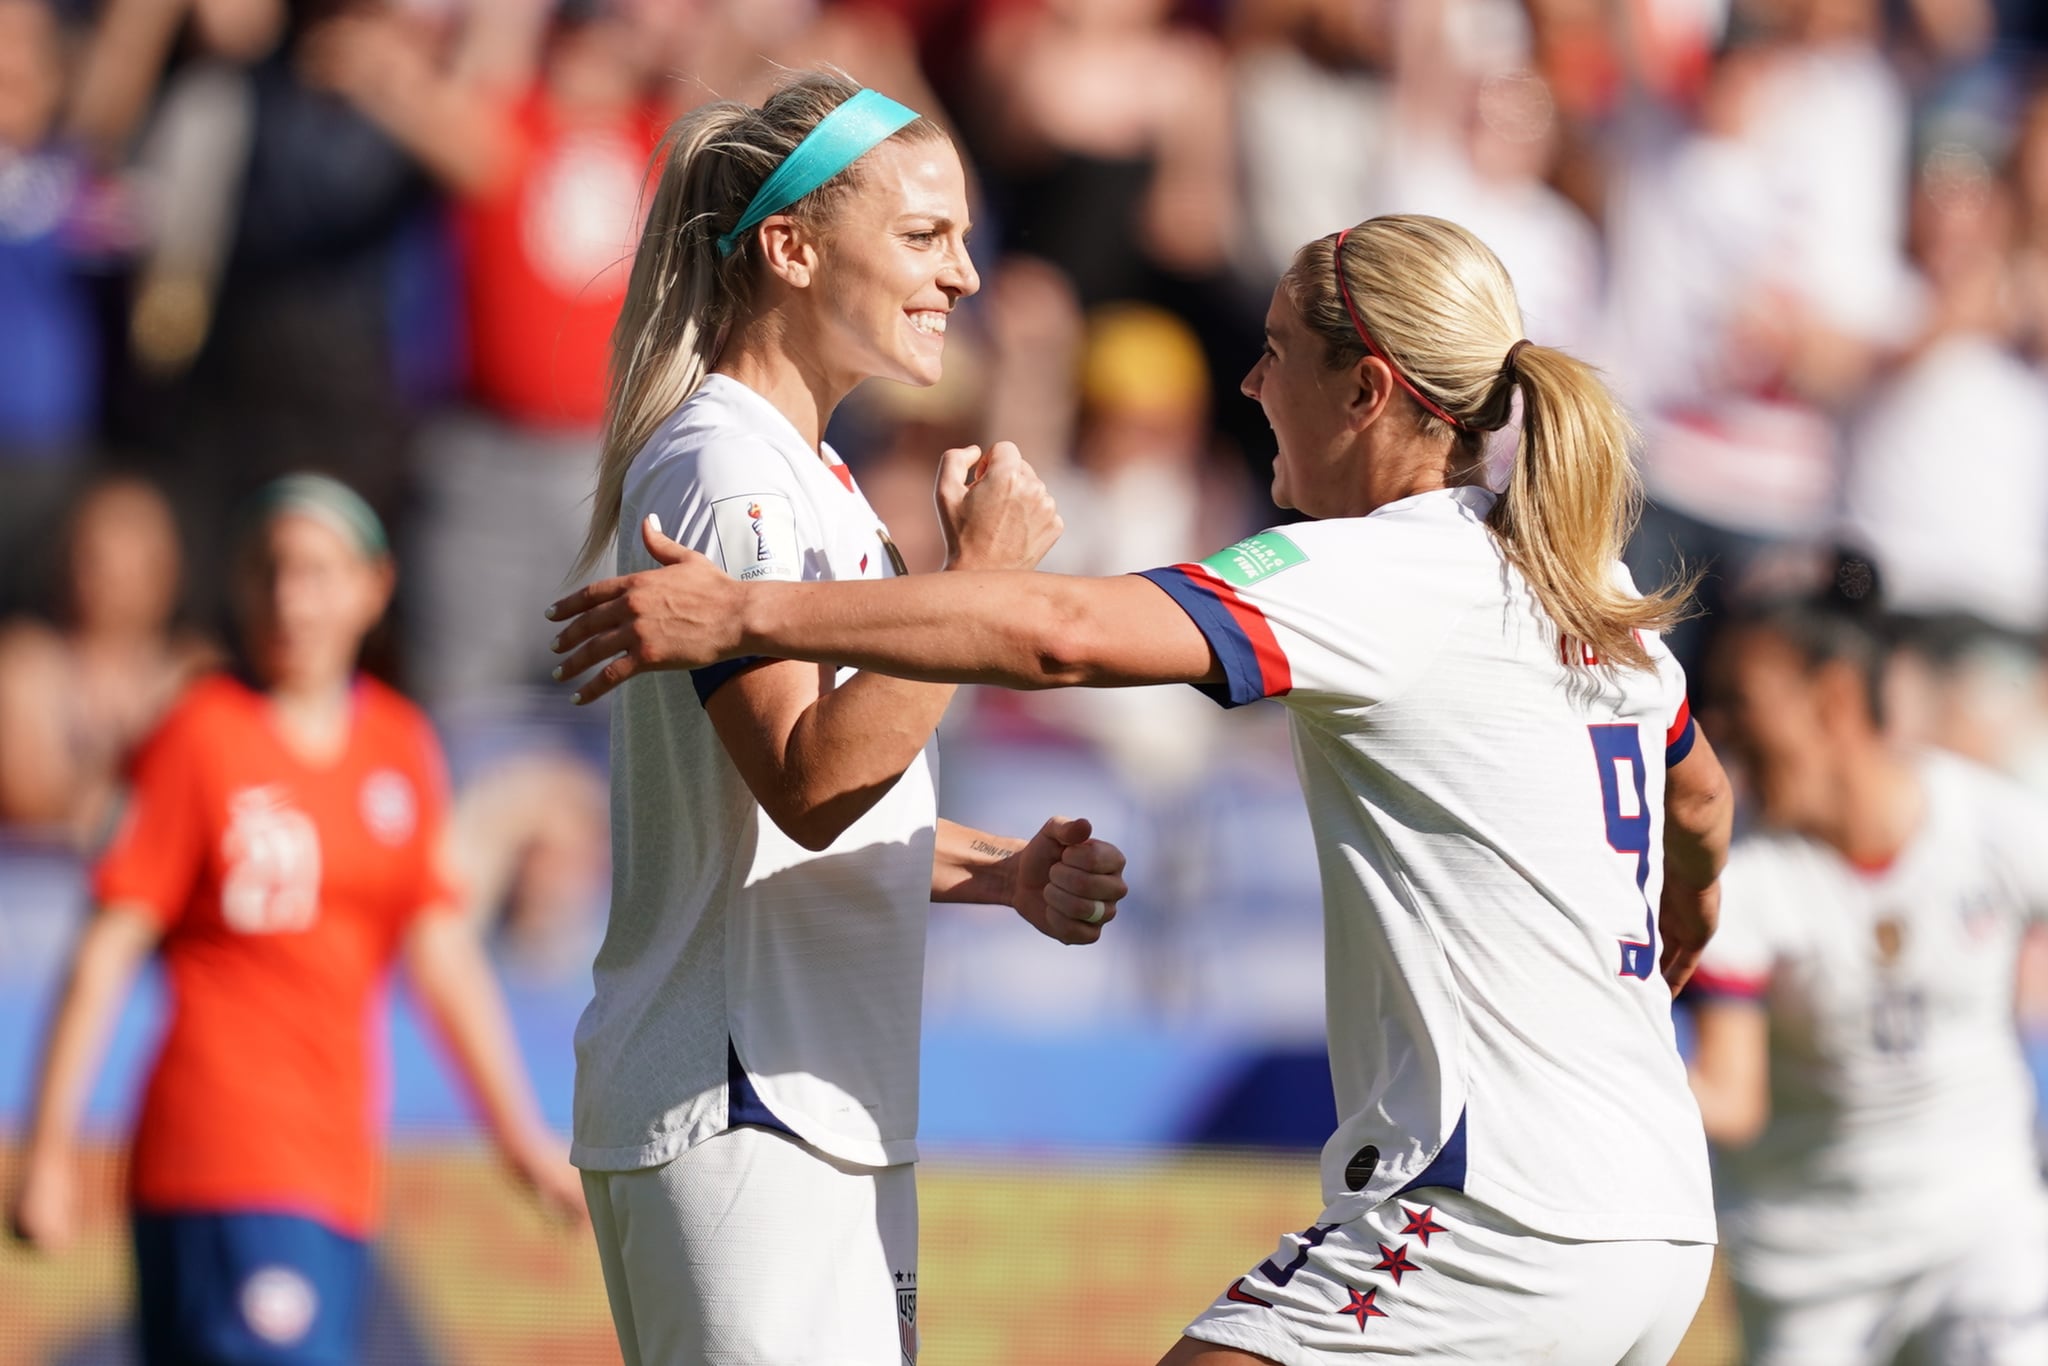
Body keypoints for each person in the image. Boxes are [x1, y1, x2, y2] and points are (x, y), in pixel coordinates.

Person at [549, 212, 1735, 1365]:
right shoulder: (1588, 593)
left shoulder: (1382, 568)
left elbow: (1062, 632)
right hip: (1660, 1222)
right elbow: (1700, 807)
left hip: (1490, 1212)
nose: (1250, 385)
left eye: (1272, 352)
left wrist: (748, 610)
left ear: (1367, 391)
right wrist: (1669, 938)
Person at [550, 72, 1132, 1366]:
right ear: (794, 247)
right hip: (738, 1100)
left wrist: (1003, 871)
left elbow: (802, 819)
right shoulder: (721, 466)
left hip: (812, 1098)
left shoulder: (808, 475)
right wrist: (976, 585)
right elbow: (809, 782)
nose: (967, 276)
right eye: (927, 236)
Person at [6, 473, 584, 1365]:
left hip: (335, 1168)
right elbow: (105, 948)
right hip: (221, 1148)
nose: (290, 598)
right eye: (269, 572)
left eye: (316, 573)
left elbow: (442, 957)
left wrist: (519, 1139)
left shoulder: (397, 747)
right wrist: (47, 1150)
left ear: (371, 589)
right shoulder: (201, 734)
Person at [1685, 559, 2048, 1366]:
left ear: (1835, 698)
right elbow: (1732, 1099)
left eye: (1740, 702)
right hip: (1810, 1274)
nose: (1719, 729)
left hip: (1979, 1236)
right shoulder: (1742, 882)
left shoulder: (1990, 824)